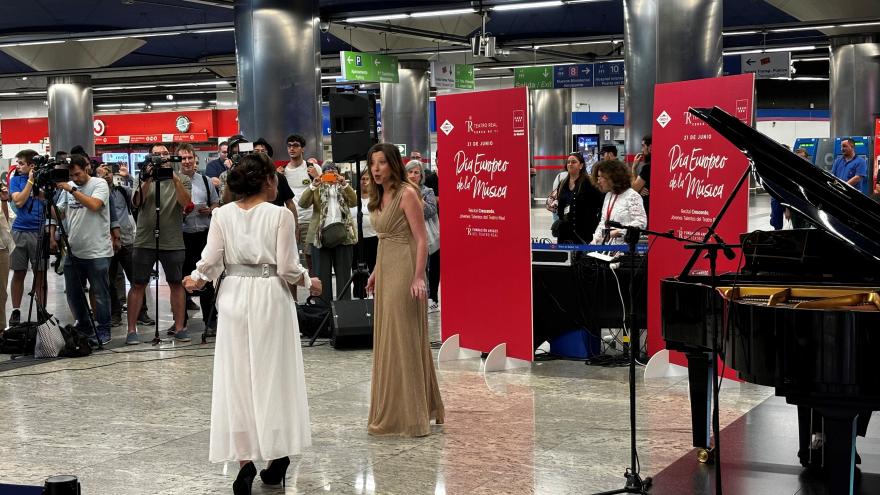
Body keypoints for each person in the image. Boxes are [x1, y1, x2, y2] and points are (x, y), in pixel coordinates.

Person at [182, 152, 321, 494]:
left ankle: (245, 462)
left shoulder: (223, 214)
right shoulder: (280, 216)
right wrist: (309, 281)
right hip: (270, 296)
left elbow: (211, 262)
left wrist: (197, 278)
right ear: (268, 181)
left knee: (237, 377)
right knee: (273, 375)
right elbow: (288, 267)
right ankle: (276, 456)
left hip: (232, 297)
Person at [364, 143, 444, 437]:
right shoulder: (379, 195)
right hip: (386, 268)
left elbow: (421, 239)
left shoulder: (407, 193)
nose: (375, 169)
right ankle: (399, 408)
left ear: (393, 165)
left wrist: (418, 277)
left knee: (404, 339)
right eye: (373, 163)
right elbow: (384, 239)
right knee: (388, 338)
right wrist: (375, 271)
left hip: (406, 269)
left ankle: (412, 415)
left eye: (382, 163)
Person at [125, 143, 192, 345]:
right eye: (156, 155)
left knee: (175, 283)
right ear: (150, 158)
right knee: (138, 283)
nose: (161, 158)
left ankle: (180, 327)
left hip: (172, 239)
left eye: (164, 154)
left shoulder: (183, 178)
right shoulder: (142, 178)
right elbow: (137, 202)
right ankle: (131, 330)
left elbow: (185, 202)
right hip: (145, 239)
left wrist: (173, 177)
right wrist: (148, 179)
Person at [52, 154, 113, 344]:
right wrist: (46, 199)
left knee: (100, 293)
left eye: (77, 174)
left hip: (97, 251)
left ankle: (103, 329)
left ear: (86, 168)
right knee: (73, 292)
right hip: (74, 249)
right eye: (71, 175)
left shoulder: (99, 184)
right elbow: (59, 214)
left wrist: (72, 189)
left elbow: (95, 205)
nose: (75, 178)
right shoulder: (67, 188)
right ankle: (85, 325)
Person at [298, 161, 357, 302]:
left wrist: (344, 184)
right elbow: (302, 203)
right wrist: (313, 185)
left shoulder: (343, 187)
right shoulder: (317, 188)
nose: (330, 173)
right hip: (320, 238)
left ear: (337, 173)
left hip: (344, 237)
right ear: (323, 173)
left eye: (333, 171)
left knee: (344, 277)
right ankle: (323, 312)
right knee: (321, 277)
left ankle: (344, 312)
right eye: (327, 171)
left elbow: (354, 202)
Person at [178, 143, 220, 334]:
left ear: (195, 159)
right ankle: (180, 321)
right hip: (181, 236)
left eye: (189, 157)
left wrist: (209, 210)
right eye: (183, 158)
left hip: (203, 235)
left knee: (206, 277)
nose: (187, 161)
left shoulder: (205, 181)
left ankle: (210, 320)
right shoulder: (173, 181)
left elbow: (216, 203)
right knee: (179, 280)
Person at [9, 149, 48, 325]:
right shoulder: (16, 180)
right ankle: (16, 310)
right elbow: (19, 201)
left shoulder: (45, 182)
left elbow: (50, 203)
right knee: (19, 272)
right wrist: (31, 181)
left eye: (21, 163)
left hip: (38, 231)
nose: (18, 166)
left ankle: (41, 309)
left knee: (40, 274)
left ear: (32, 165)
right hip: (19, 231)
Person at [281, 134, 320, 272]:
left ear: (302, 149)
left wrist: (317, 177)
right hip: (289, 220)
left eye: (296, 145)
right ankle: (292, 293)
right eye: (289, 146)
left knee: (311, 257)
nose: (292, 148)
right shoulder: (282, 172)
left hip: (309, 219)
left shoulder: (312, 168)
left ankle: (314, 290)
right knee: (289, 258)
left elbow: (323, 192)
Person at [405, 160, 440, 312]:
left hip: (424, 236)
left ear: (421, 176)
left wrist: (416, 198)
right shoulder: (400, 191)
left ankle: (429, 298)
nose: (413, 176)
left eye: (416, 173)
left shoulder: (427, 191)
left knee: (425, 267)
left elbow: (430, 211)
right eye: (410, 172)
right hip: (406, 237)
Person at [591, 160, 647, 245]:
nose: (598, 181)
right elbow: (603, 223)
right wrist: (595, 241)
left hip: (624, 251)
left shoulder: (632, 196)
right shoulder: (608, 196)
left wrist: (618, 232)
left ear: (612, 177)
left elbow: (641, 223)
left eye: (601, 177)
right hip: (606, 250)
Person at [554, 153, 604, 244]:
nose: (570, 164)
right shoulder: (562, 183)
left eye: (573, 162)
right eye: (568, 162)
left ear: (581, 165)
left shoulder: (589, 182)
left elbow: (600, 204)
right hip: (565, 232)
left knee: (583, 257)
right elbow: (560, 206)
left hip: (585, 232)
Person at [351, 169, 377, 299]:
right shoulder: (352, 196)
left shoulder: (376, 197)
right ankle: (358, 297)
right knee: (356, 270)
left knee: (374, 269)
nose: (365, 182)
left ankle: (376, 297)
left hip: (373, 238)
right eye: (362, 179)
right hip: (356, 240)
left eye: (367, 179)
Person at [0, 176, 12, 329]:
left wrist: (4, 201)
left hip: (1, 249)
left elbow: (6, 222)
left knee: (1, 292)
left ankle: (1, 328)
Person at [631, 135, 651, 219]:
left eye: (643, 146)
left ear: (650, 147)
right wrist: (640, 188)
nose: (642, 150)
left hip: (647, 208)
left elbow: (634, 189)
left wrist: (633, 167)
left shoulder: (647, 167)